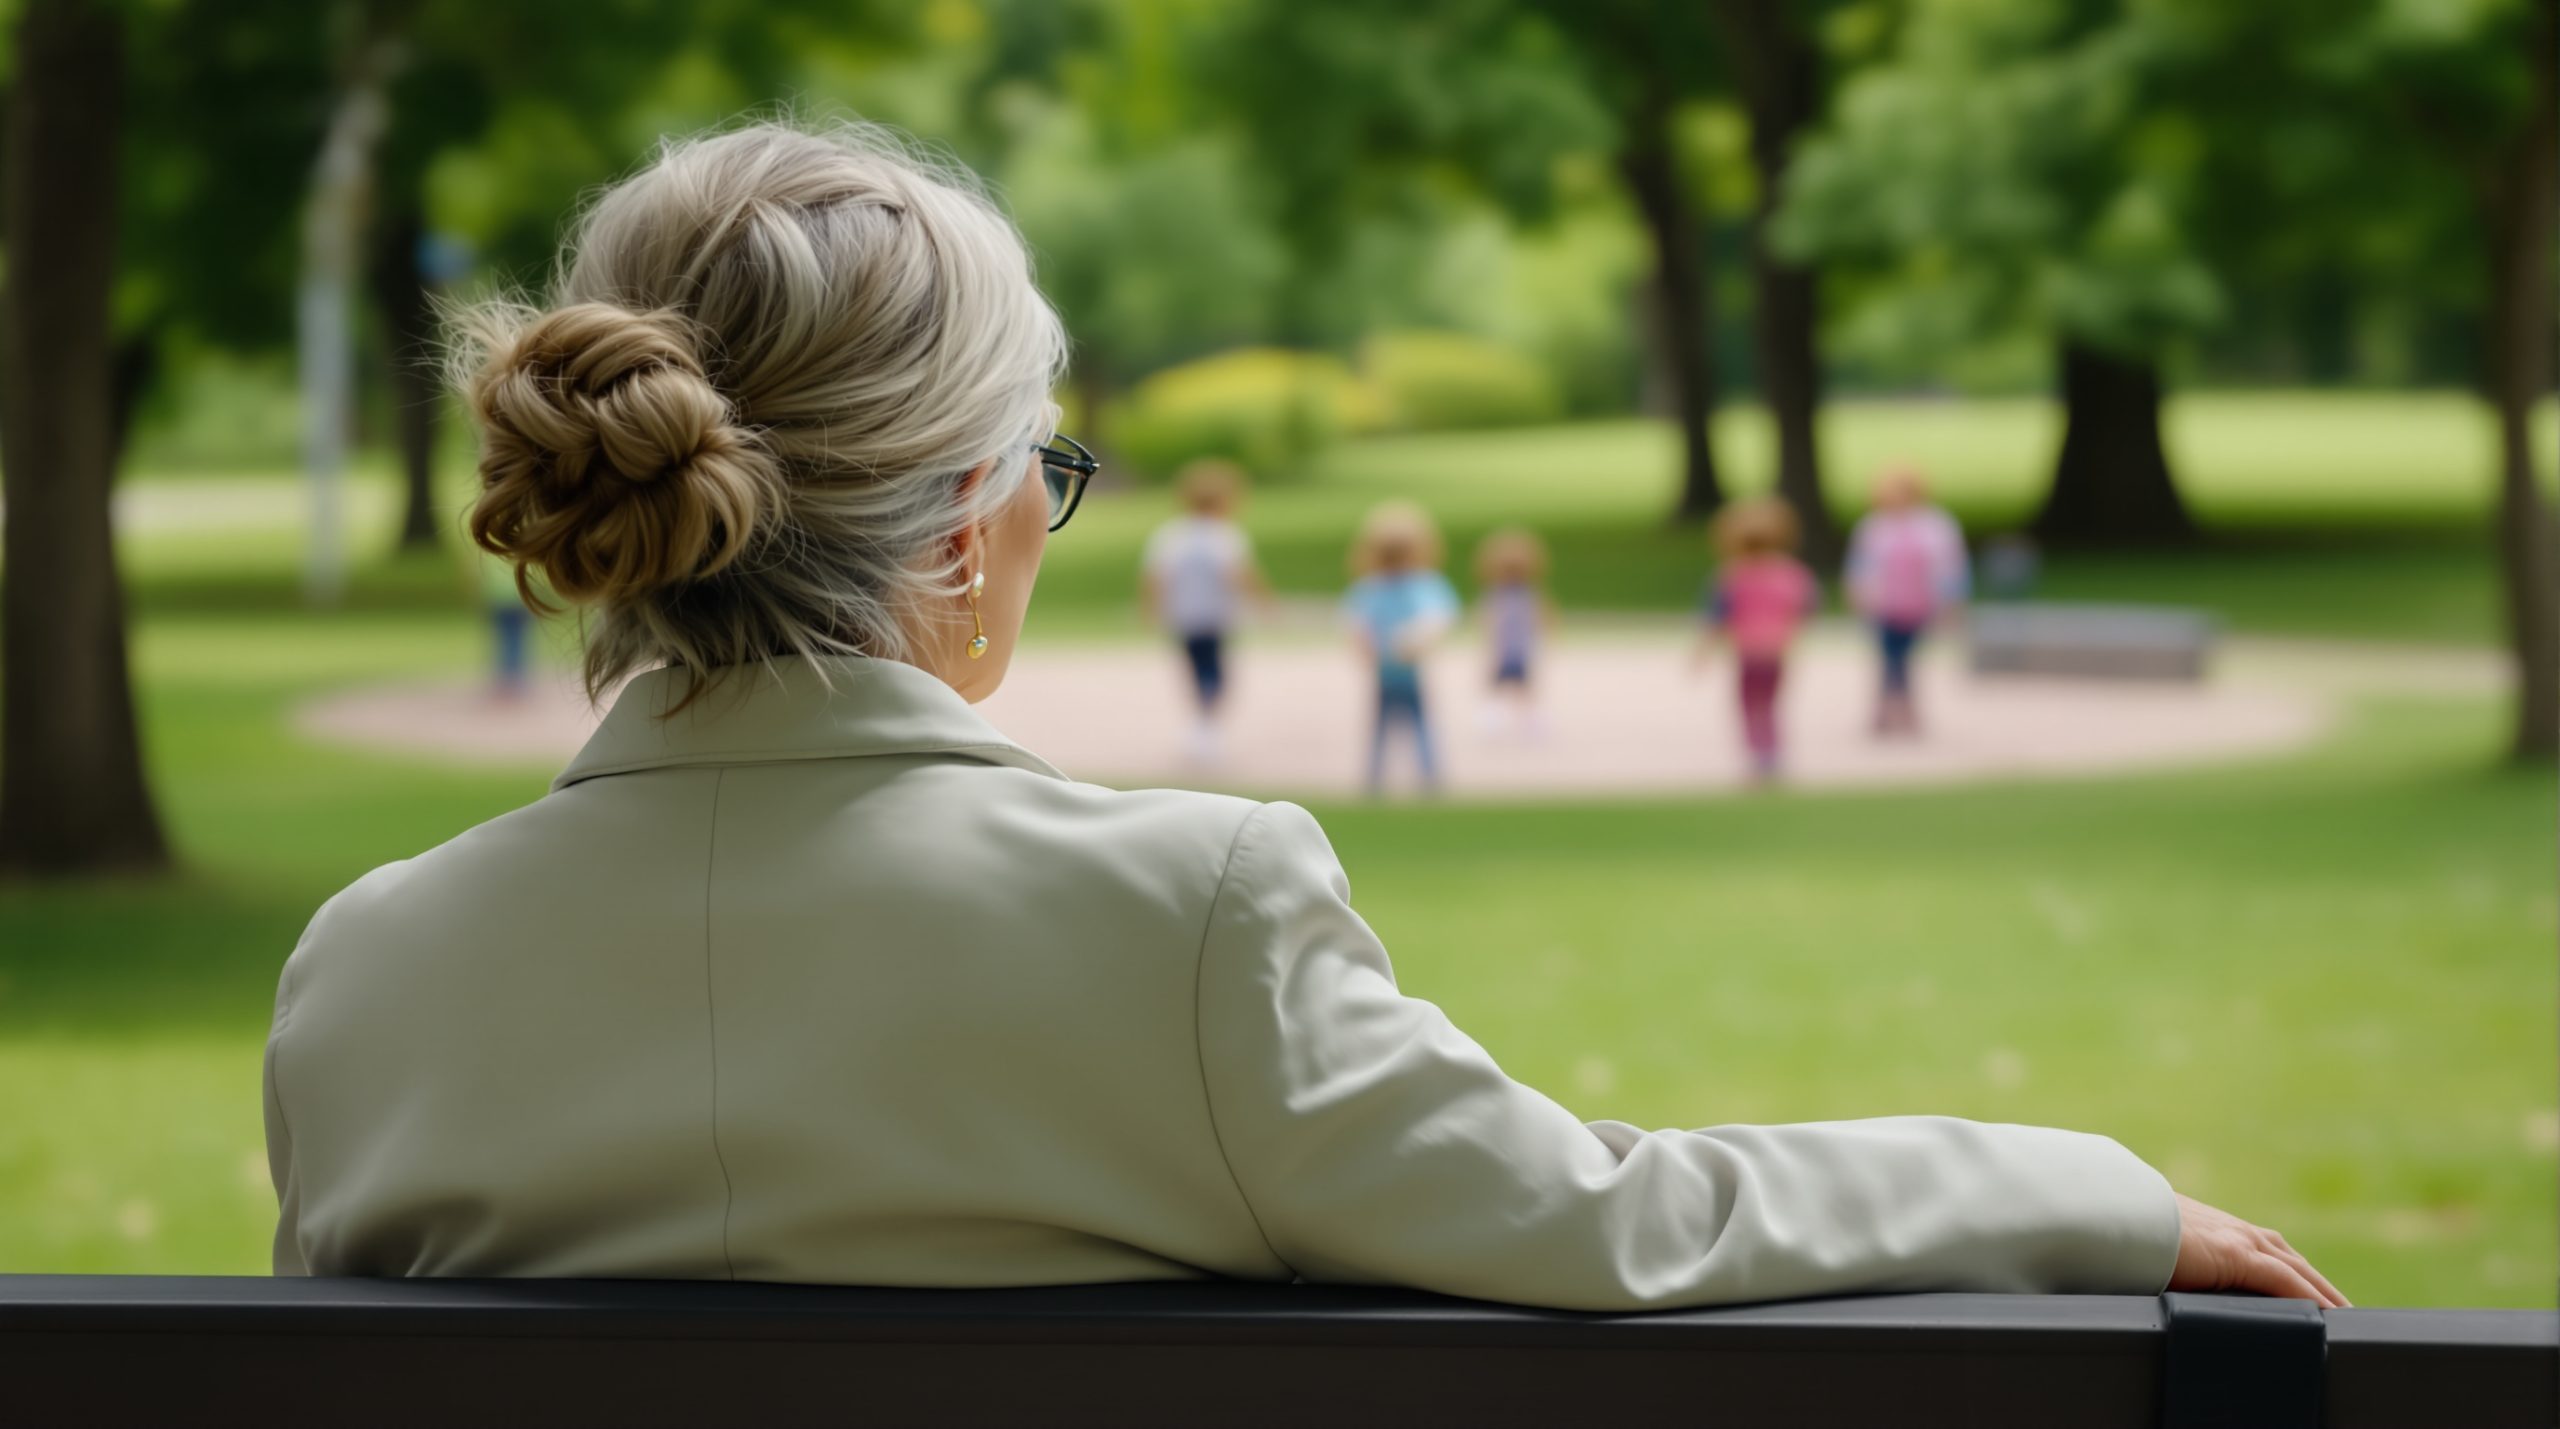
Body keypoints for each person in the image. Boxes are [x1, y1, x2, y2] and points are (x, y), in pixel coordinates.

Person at [262, 120, 2342, 1316]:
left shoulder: (366, 975)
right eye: (1045, 482)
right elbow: (1627, 1230)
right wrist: (2083, 1187)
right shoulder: (1187, 916)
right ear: (971, 537)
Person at [1142, 460, 1268, 762]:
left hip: (1185, 616)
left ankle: (1202, 724)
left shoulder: (1173, 535)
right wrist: (1262, 601)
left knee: (1198, 669)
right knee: (1214, 673)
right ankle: (1205, 724)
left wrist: (1152, 606)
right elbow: (1239, 574)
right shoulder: (1223, 535)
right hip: (1213, 617)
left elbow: (1157, 576)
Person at [1695, 497, 1818, 782]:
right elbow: (1805, 609)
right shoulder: (1791, 574)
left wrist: (1703, 650)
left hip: (1749, 650)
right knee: (1769, 703)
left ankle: (1760, 751)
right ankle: (1769, 750)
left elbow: (1716, 618)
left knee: (1750, 703)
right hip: (1775, 649)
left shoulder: (1731, 576)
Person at [1343, 503, 1460, 794]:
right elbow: (1440, 616)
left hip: (1394, 667)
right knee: (1412, 721)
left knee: (1388, 724)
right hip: (1398, 667)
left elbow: (1357, 624)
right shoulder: (1415, 584)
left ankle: (1383, 775)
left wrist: (1374, 647)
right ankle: (1422, 773)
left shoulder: (1373, 587)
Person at [1845, 464, 1970, 737]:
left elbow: (1950, 567)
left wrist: (1951, 602)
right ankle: (1891, 707)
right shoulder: (1875, 526)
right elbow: (1861, 566)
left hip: (1920, 603)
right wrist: (1858, 595)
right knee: (1890, 656)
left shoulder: (1936, 526)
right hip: (1883, 604)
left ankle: (1900, 706)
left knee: (1905, 656)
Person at [1473, 527, 1555, 741]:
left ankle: (1519, 722)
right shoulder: (1527, 595)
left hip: (1510, 650)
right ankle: (1529, 722)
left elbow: (1488, 623)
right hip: (1518, 650)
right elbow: (1545, 620)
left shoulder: (1501, 596)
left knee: (1506, 688)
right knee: (1518, 688)